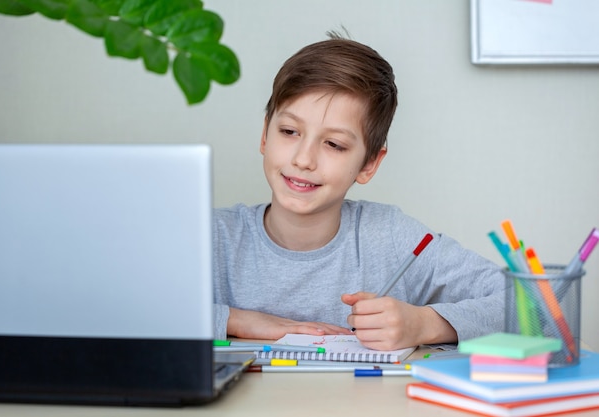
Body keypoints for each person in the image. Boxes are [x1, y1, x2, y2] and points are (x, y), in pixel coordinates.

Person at [212, 34, 504, 351]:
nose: (303, 159)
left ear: (368, 164)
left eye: (334, 144)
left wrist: (424, 324)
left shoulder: (391, 236)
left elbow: (537, 308)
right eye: (289, 131)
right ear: (265, 135)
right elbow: (148, 313)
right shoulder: (214, 237)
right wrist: (235, 320)